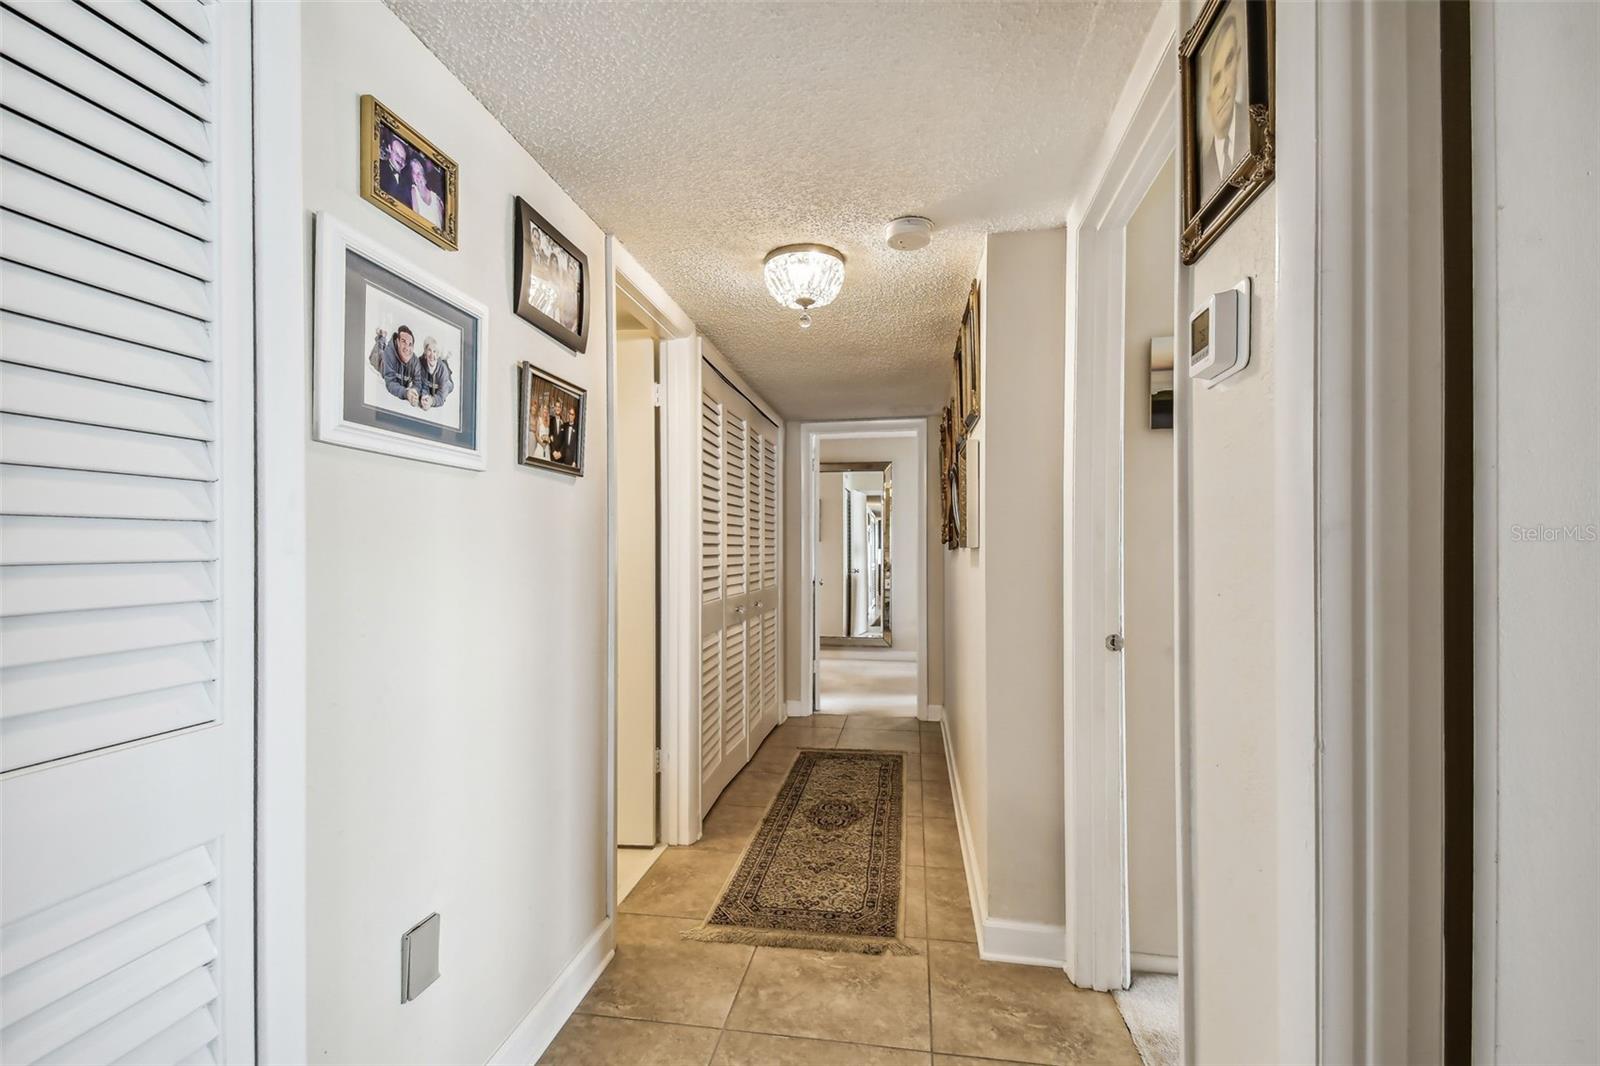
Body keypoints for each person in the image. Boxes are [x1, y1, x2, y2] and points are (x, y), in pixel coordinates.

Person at [1198, 5, 1247, 202]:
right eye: (1217, 79)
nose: (1226, 86)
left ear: (1239, 59)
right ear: (1209, 100)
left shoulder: (1254, 127)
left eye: (1229, 61)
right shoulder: (1202, 171)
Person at [369, 324, 421, 405]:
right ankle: (381, 337)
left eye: (410, 344)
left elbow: (418, 383)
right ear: (397, 342)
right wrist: (406, 393)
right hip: (381, 362)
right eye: (403, 341)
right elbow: (390, 383)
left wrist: (414, 391)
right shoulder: (389, 354)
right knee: (377, 352)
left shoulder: (415, 361)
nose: (407, 347)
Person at [417, 337, 453, 412]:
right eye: (429, 350)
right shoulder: (420, 363)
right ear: (425, 352)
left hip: (445, 383)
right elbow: (423, 386)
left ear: (438, 354)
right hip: (430, 383)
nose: (432, 354)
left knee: (448, 386)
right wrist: (424, 398)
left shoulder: (443, 370)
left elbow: (441, 397)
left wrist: (431, 401)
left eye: (435, 351)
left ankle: (445, 359)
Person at [409, 157, 444, 231]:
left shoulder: (436, 198)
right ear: (412, 177)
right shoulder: (413, 191)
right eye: (414, 173)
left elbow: (440, 228)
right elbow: (416, 222)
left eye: (420, 172)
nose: (418, 176)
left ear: (424, 174)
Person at [378, 131, 412, 204]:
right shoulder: (379, 168)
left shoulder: (407, 183)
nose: (400, 161)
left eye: (403, 159)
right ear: (390, 149)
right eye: (397, 155)